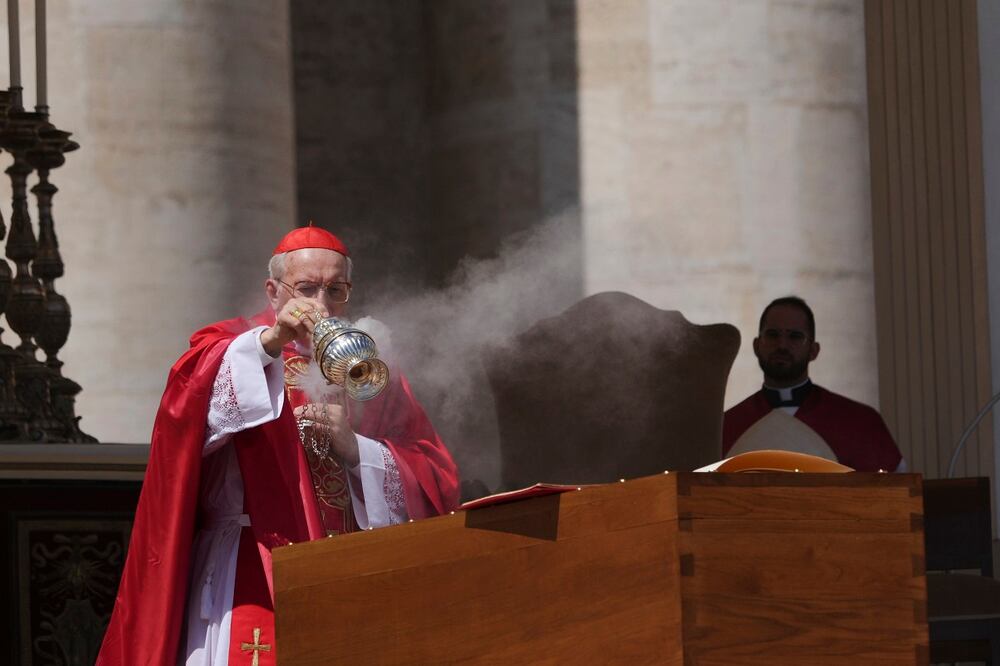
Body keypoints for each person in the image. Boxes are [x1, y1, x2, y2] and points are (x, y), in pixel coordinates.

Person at [97, 226, 461, 665]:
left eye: (336, 289)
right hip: (252, 565)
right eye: (306, 288)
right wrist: (273, 341)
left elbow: (433, 475)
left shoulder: (367, 362)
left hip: (342, 569)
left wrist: (356, 449)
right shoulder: (236, 346)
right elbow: (186, 415)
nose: (321, 304)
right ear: (274, 292)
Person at [722, 296, 906, 472]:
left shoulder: (861, 423)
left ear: (813, 350)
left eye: (794, 336)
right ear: (756, 346)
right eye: (772, 335)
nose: (782, 345)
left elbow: (896, 495)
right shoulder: (727, 427)